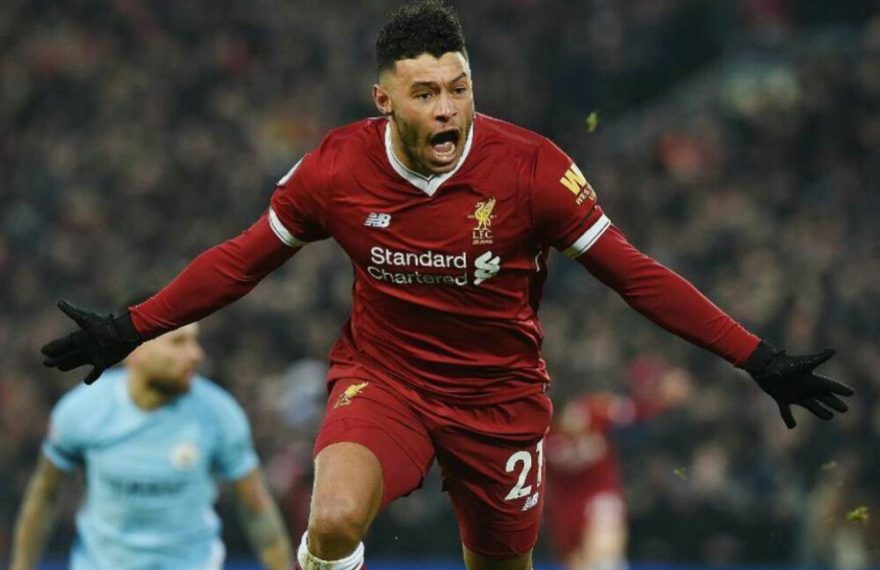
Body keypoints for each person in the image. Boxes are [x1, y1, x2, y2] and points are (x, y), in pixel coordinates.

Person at [39, 2, 854, 569]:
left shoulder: (532, 170)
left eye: (459, 89)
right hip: (384, 381)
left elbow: (635, 276)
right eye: (425, 93)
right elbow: (240, 260)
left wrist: (755, 357)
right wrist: (133, 326)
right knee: (332, 519)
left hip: (499, 399)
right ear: (383, 99)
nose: (447, 110)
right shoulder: (335, 169)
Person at [14, 303, 293, 570]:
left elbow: (257, 511)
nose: (196, 354)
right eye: (178, 342)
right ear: (136, 351)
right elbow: (44, 495)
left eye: (195, 341)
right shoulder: (82, 410)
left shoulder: (219, 412)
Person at [543, 358, 692, 570]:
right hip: (563, 507)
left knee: (604, 556)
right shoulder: (540, 430)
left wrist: (663, 398)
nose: (574, 423)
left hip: (601, 495)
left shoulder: (597, 409)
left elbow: (634, 411)